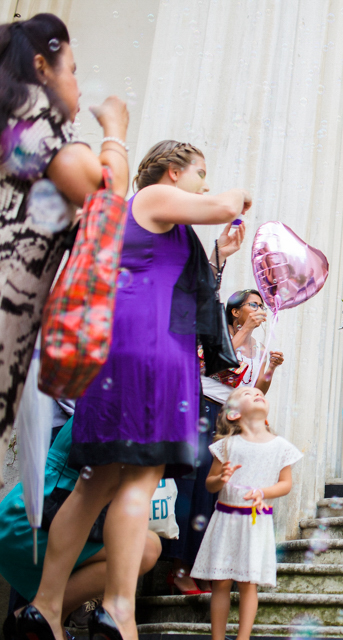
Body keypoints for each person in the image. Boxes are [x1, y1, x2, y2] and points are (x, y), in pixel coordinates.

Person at [23, 141, 252, 640]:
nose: (205, 185)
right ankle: (118, 612)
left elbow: (166, 280)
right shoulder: (149, 198)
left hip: (118, 354)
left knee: (94, 485)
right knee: (138, 481)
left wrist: (216, 256)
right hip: (151, 355)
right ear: (172, 173)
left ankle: (45, 608)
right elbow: (224, 206)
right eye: (200, 173)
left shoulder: (152, 224)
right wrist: (240, 196)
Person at [0, 13, 129, 468]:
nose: (76, 81)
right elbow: (108, 194)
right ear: (41, 68)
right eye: (71, 69)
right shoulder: (39, 125)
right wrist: (115, 132)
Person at [166, 289, 284, 595]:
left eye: (262, 306)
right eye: (254, 305)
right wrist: (244, 332)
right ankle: (178, 567)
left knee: (216, 493)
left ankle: (202, 567)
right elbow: (213, 364)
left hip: (229, 418)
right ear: (235, 311)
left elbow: (256, 390)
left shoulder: (257, 347)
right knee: (191, 484)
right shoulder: (215, 334)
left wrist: (270, 366)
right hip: (200, 407)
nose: (260, 310)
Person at [0, 419, 161, 636]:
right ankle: (41, 612)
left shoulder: (106, 402)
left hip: (26, 521)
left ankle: (40, 617)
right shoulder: (124, 410)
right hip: (33, 521)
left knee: (147, 546)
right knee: (146, 548)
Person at [190, 385, 302, 640]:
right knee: (220, 583)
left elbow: (285, 484)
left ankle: (243, 638)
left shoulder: (280, 446)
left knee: (248, 584)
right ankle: (217, 638)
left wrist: (262, 491)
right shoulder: (227, 445)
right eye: (247, 394)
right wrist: (221, 477)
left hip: (255, 523)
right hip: (226, 519)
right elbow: (210, 484)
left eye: (259, 393)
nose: (256, 394)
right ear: (232, 414)